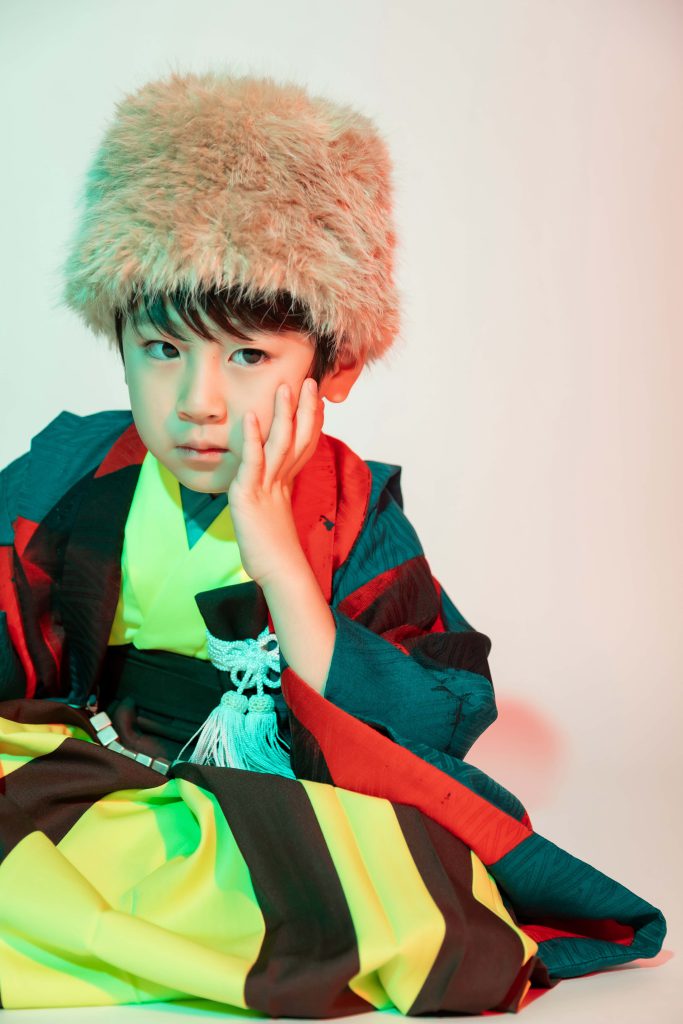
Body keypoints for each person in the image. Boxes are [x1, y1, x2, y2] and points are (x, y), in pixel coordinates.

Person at [0, 70, 666, 1015]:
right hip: (103, 766)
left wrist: (278, 559)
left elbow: (432, 717)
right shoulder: (74, 469)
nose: (196, 401)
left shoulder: (348, 505)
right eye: (162, 349)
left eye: (248, 355)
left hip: (287, 787)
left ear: (335, 366)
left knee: (407, 905)